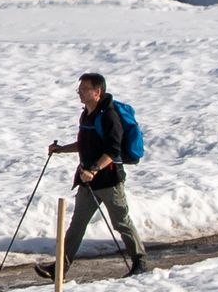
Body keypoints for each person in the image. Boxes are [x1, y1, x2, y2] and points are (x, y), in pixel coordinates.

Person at [46, 71, 147, 275]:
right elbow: (85, 144)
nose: (79, 93)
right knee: (77, 226)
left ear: (97, 91)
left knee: (121, 222)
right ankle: (60, 268)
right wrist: (61, 149)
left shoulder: (109, 115)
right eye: (79, 89)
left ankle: (140, 262)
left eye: (84, 89)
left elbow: (113, 150)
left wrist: (94, 169)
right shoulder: (87, 114)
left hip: (109, 180)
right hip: (87, 180)